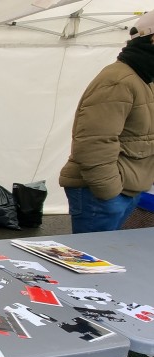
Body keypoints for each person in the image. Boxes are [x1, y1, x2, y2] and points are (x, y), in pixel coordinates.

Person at [59, 11, 154, 234]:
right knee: (92, 263)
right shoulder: (118, 79)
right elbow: (93, 142)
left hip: (126, 190)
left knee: (106, 260)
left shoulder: (144, 77)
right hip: (104, 193)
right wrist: (109, 191)